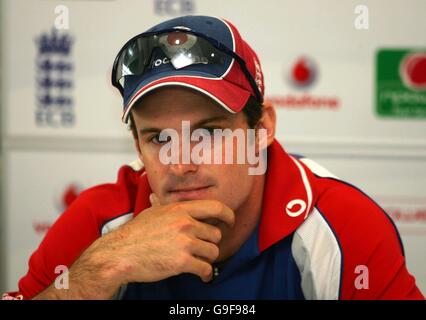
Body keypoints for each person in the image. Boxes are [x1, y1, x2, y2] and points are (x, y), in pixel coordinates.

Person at [3, 15, 424, 300]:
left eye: (206, 133)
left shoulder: (341, 225)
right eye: (159, 138)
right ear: (138, 149)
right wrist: (97, 273)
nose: (181, 163)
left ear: (263, 130)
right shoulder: (100, 223)